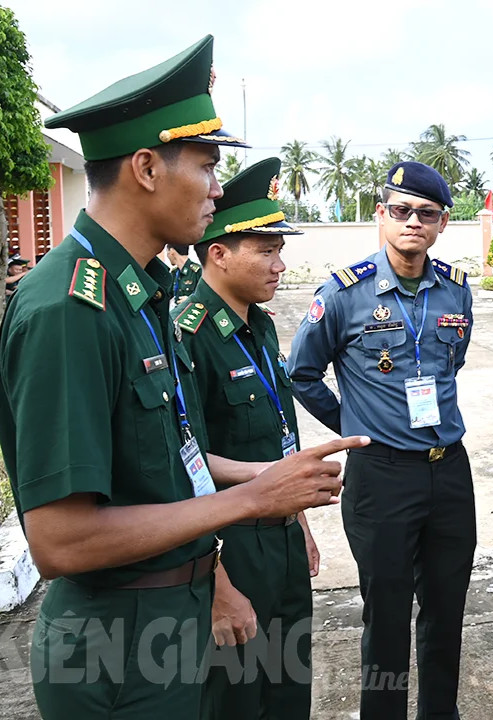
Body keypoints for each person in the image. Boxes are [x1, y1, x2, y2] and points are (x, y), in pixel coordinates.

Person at [0, 35, 367, 720]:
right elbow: (60, 540)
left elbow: (174, 461)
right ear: (146, 167)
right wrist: (250, 503)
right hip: (117, 649)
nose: (219, 190)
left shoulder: (140, 294)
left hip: (173, 619)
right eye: (206, 165)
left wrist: (264, 477)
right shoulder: (70, 308)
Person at [288, 161, 475, 720]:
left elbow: (451, 365)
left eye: (426, 213)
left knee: (446, 610)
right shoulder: (345, 294)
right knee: (387, 615)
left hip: (449, 469)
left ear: (442, 223)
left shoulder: (456, 292)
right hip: (382, 477)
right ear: (381, 216)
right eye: (400, 210)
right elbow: (302, 373)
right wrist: (353, 425)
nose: (412, 222)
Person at [174, 157, 316, 719]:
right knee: (237, 699)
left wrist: (299, 521)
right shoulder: (188, 333)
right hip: (231, 543)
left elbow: (281, 437)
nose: (280, 264)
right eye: (267, 250)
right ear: (219, 253)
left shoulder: (259, 324)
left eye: (280, 250)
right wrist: (218, 583)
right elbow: (183, 462)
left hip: (280, 539)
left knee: (288, 693)